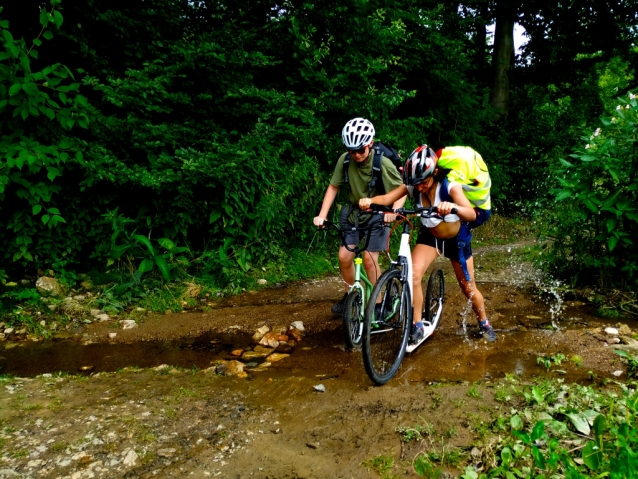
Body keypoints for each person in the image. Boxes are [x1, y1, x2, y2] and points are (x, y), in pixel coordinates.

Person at [358, 145, 497, 342]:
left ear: (435, 173)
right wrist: (369, 201)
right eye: (416, 184)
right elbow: (388, 198)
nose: (419, 187)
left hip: (456, 240)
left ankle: (484, 322)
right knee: (412, 275)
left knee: (468, 288)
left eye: (423, 182)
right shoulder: (414, 185)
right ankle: (417, 325)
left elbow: (471, 214)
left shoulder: (450, 186)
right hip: (430, 238)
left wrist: (454, 207)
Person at [314, 118, 406, 315]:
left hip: (379, 214)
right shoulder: (345, 160)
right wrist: (322, 215)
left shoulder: (384, 163)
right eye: (351, 150)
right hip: (354, 213)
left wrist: (394, 212)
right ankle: (351, 296)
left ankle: (380, 303)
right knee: (344, 256)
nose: (355, 154)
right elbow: (333, 187)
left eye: (360, 150)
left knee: (368, 258)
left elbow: (402, 190)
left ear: (370, 144)